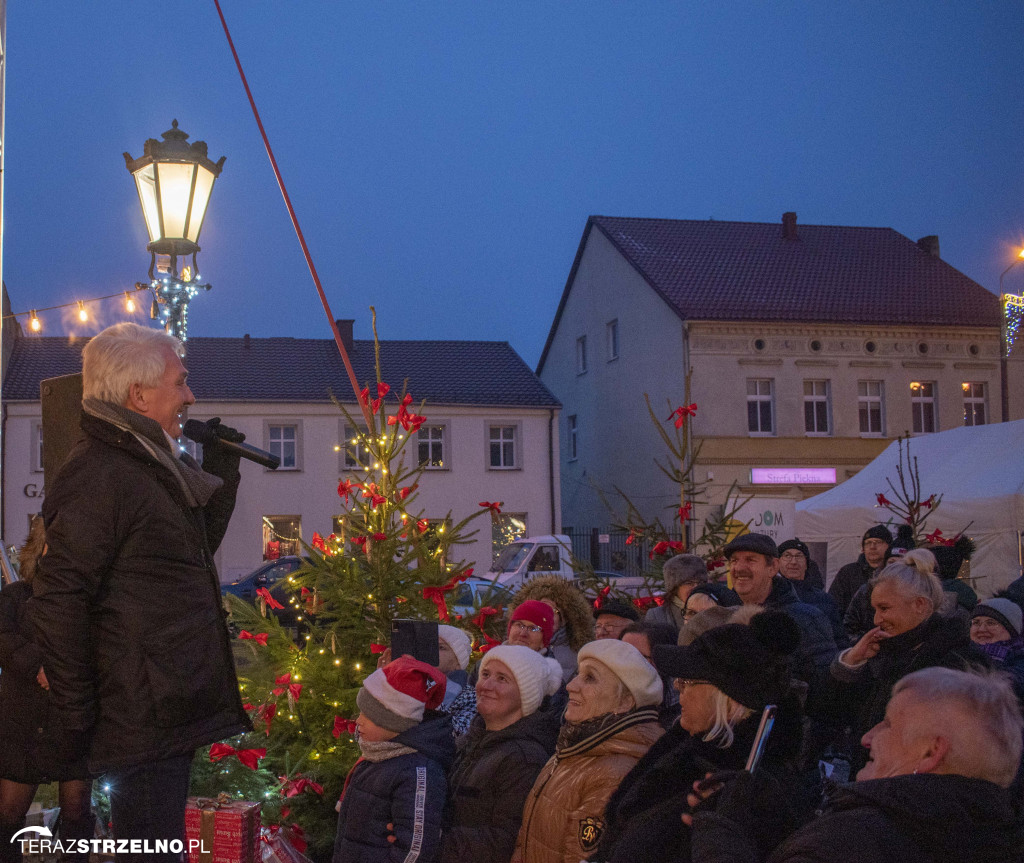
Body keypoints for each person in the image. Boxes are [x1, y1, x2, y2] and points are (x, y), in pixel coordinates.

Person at [30, 322, 248, 858]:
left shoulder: (148, 464)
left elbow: (183, 556)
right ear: (138, 394)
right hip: (139, 711)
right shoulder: (103, 473)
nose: (190, 397)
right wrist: (80, 709)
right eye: (181, 382)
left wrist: (222, 471)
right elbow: (59, 598)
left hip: (160, 701)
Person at [688, 668, 1024, 863]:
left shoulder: (850, 843)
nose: (867, 737)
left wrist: (718, 835)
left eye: (889, 724)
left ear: (930, 752)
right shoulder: (997, 838)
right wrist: (776, 816)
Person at [591, 610, 803, 863]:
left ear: (726, 698)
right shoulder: (687, 750)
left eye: (687, 682)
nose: (677, 689)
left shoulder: (748, 792)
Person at [825, 549, 987, 773]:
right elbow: (831, 713)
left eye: (884, 608)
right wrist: (851, 662)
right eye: (874, 609)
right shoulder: (883, 653)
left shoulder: (960, 665)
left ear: (920, 605)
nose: (876, 620)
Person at [513, 639, 664, 863]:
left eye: (590, 678)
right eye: (577, 674)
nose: (571, 686)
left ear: (625, 702)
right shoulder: (575, 749)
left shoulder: (614, 774)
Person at [0, 518, 93, 862]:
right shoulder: (15, 597)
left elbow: (96, 648)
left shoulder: (86, 603)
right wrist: (39, 665)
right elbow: (4, 639)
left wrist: (62, 670)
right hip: (23, 725)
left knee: (76, 813)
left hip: (71, 723)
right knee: (8, 815)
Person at [441, 646, 562, 863]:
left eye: (502, 679)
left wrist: (433, 839)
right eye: (485, 674)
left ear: (526, 695)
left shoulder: (525, 758)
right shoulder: (467, 740)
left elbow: (505, 841)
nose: (486, 686)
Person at [334, 656, 454, 863]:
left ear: (393, 723)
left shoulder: (417, 771)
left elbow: (416, 847)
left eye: (369, 716)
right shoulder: (378, 755)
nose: (358, 721)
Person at [723, 533, 837, 692]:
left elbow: (823, 684)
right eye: (734, 560)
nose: (739, 568)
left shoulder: (805, 619)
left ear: (773, 567)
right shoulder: (723, 616)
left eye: (750, 560)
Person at [509, 575, 595, 683]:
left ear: (564, 618)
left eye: (551, 611)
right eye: (538, 608)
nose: (544, 615)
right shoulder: (512, 646)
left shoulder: (579, 652)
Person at [777, 538, 846, 647]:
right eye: (787, 556)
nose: (793, 562)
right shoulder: (770, 595)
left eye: (799, 556)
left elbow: (839, 637)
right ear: (778, 562)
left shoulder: (825, 599)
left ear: (806, 563)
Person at [620, 621, 681, 728]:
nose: (625, 662)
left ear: (662, 661)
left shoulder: (678, 716)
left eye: (636, 656)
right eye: (620, 654)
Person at [827, 525, 891, 616]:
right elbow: (834, 605)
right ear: (863, 548)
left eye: (878, 542)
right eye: (868, 543)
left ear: (889, 547)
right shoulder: (848, 573)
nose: (872, 547)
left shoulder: (894, 573)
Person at [969, 597, 1024, 697]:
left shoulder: (1019, 658)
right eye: (976, 622)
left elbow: (1013, 683)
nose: (981, 629)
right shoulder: (958, 651)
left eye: (991, 623)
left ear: (1011, 629)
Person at [645, 554, 709, 633]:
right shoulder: (657, 615)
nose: (696, 587)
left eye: (700, 582)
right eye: (689, 583)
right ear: (675, 588)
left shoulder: (713, 610)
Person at [436, 624, 478, 737]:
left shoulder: (470, 696)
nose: (432, 651)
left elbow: (460, 733)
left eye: (441, 647)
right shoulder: (412, 681)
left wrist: (428, 699)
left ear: (458, 663)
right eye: (430, 645)